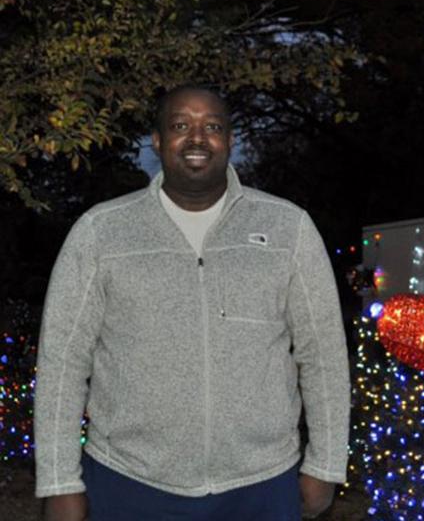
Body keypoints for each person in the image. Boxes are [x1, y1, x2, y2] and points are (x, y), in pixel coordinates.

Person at [34, 85, 351, 520]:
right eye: (181, 125)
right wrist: (59, 480)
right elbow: (63, 362)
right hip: (129, 482)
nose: (197, 138)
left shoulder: (288, 228)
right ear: (159, 141)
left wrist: (326, 465)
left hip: (260, 485)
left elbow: (324, 355)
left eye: (213, 127)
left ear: (230, 141)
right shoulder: (101, 232)